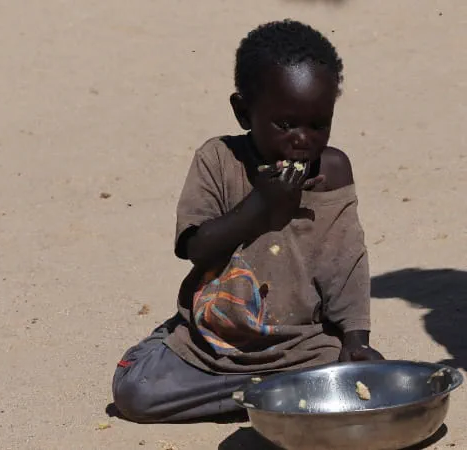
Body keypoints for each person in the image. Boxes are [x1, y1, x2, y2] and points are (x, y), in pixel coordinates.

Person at [111, 19, 384, 424]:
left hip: (300, 349)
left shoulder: (333, 172)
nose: (302, 139)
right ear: (243, 112)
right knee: (135, 392)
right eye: (285, 124)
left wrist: (356, 341)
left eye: (318, 125)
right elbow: (196, 248)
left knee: (352, 383)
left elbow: (346, 266)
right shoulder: (218, 160)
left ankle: (265, 394)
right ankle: (267, 397)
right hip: (213, 345)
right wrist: (260, 206)